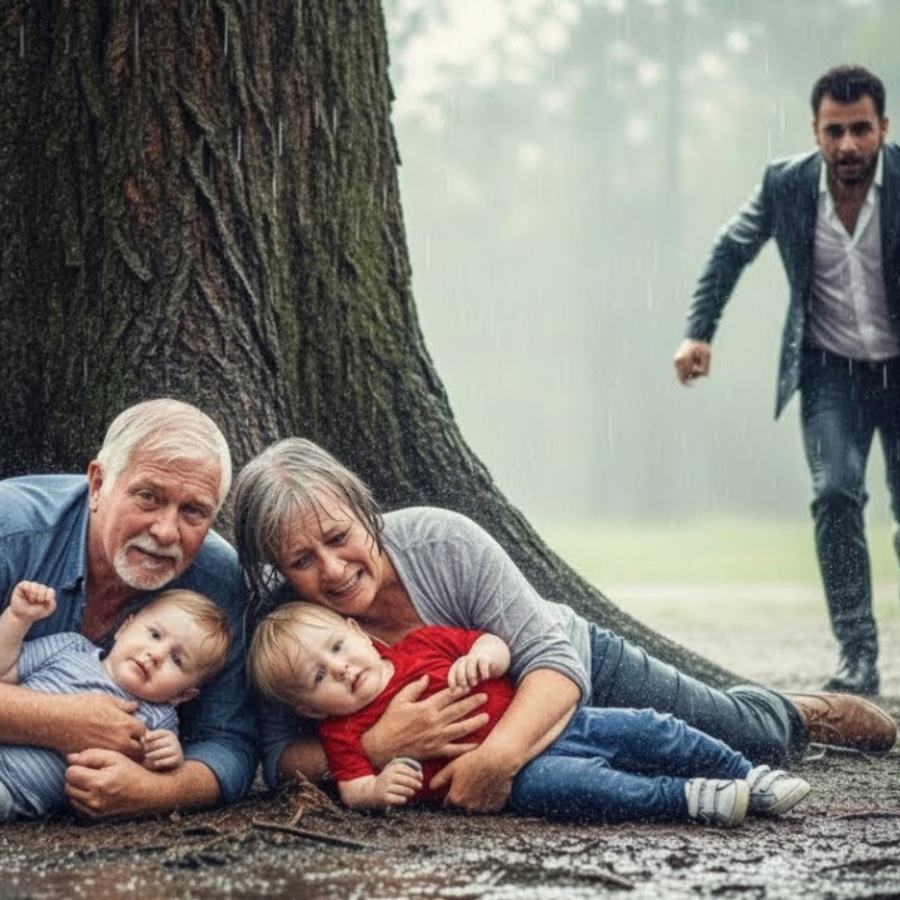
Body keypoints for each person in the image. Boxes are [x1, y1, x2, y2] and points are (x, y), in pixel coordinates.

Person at [233, 436, 896, 813]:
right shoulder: (289, 626)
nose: (333, 569)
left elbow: (552, 660)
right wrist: (380, 746)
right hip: (513, 737)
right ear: (278, 567)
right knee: (616, 775)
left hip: (571, 668)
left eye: (338, 537)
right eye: (302, 560)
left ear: (363, 510)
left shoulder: (441, 542)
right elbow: (279, 758)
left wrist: (496, 758)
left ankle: (792, 710)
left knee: (746, 736)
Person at [673, 65, 900, 696]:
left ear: (883, 127)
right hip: (830, 372)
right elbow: (730, 249)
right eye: (835, 131)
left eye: (860, 129)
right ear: (815, 130)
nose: (848, 145)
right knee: (835, 493)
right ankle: (858, 657)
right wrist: (699, 333)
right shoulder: (786, 185)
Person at [249, 601, 811, 828]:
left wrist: (484, 657)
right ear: (306, 707)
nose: (340, 668)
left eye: (337, 648)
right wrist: (380, 787)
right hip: (519, 780)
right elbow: (353, 789)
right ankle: (687, 798)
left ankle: (747, 774)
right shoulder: (342, 731)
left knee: (650, 727)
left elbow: (492, 641)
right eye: (318, 678)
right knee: (583, 788)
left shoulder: (420, 645)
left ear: (357, 632)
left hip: (549, 723)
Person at [0, 398, 257, 819]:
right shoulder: (10, 531)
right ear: (98, 484)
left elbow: (229, 742)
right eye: (149, 497)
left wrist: (155, 791)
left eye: (193, 511)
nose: (166, 531)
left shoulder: (217, 582)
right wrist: (59, 719)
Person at [0, 583, 231, 821]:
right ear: (124, 627)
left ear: (182, 695)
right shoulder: (70, 647)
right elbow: (4, 671)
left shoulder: (158, 720)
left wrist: (167, 757)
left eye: (177, 660)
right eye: (155, 635)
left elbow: (139, 778)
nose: (156, 654)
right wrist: (17, 618)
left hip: (14, 787)